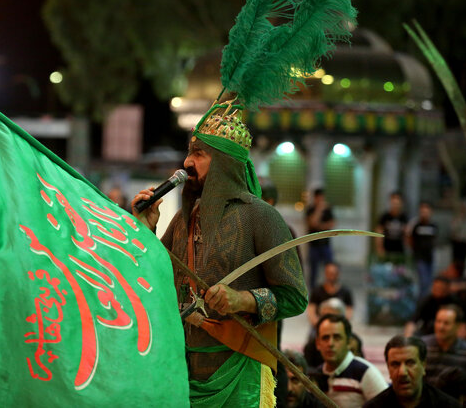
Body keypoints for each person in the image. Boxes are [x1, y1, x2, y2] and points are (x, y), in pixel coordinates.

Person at [132, 102, 306, 406]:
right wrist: (145, 230)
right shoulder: (183, 219)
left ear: (225, 163)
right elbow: (153, 282)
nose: (186, 162)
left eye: (199, 154)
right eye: (189, 152)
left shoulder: (262, 217)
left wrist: (242, 300)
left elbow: (295, 296)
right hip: (181, 370)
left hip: (237, 370)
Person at [363, 335, 460, 408]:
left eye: (410, 363)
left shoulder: (448, 406)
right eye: (395, 364)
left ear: (423, 365)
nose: (402, 372)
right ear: (388, 368)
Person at [315, 314, 387, 406]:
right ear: (318, 343)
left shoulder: (365, 372)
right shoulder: (316, 374)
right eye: (325, 338)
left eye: (337, 337)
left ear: (348, 342)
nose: (330, 343)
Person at [422, 304, 466, 385]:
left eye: (446, 323)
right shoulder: (423, 347)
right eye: (438, 321)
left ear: (457, 326)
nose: (440, 327)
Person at [304, 297, 348, 369]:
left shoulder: (353, 343)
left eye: (332, 318)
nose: (330, 343)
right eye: (324, 317)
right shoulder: (311, 345)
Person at [407, 202, 438, 298]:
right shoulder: (416, 225)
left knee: (429, 281)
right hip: (419, 257)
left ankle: (424, 298)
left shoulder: (433, 226)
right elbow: (409, 238)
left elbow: (435, 239)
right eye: (423, 212)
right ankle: (421, 300)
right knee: (423, 281)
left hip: (429, 256)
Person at [307, 262, 353, 327]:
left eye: (334, 273)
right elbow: (311, 312)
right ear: (325, 273)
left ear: (338, 274)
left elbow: (349, 311)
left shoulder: (345, 291)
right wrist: (320, 325)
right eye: (329, 273)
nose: (331, 276)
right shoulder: (317, 291)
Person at [305, 188, 335, 289]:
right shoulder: (310, 209)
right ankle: (313, 291)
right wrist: (319, 210)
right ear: (315, 198)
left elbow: (331, 224)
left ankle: (329, 287)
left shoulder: (328, 209)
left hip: (325, 245)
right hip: (314, 245)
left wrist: (320, 227)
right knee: (313, 271)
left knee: (330, 267)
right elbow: (312, 223)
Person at [375, 191, 408, 262]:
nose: (395, 205)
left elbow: (406, 235)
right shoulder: (384, 217)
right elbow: (378, 233)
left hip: (399, 251)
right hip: (386, 250)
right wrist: (380, 248)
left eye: (397, 203)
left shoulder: (404, 218)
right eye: (393, 203)